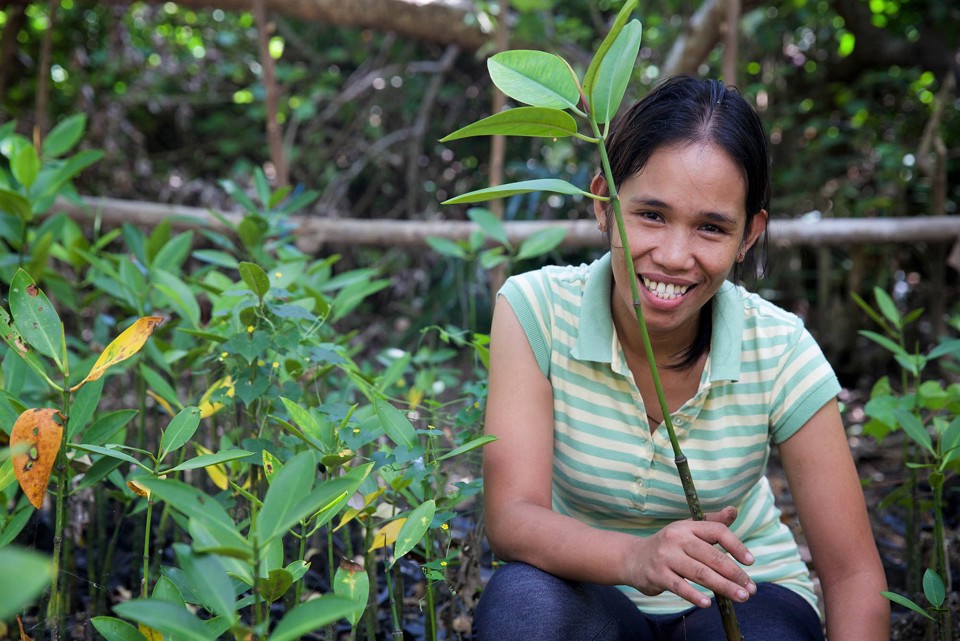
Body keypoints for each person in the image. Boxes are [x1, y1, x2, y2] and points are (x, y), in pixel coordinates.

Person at [472, 75, 889, 640]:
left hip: (741, 597)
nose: (673, 256)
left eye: (711, 228)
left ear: (748, 236)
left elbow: (853, 575)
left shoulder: (781, 348)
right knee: (524, 606)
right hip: (588, 593)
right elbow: (511, 518)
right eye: (650, 215)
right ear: (603, 202)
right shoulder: (535, 310)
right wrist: (637, 558)